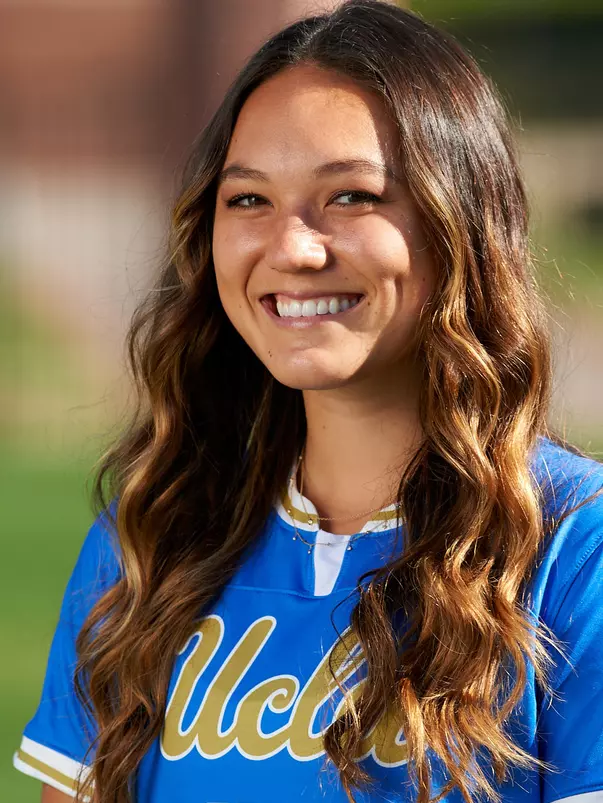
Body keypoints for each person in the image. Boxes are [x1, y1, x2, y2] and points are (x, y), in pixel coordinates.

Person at [12, 2, 603, 802]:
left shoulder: (573, 550)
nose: (291, 246)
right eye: (248, 199)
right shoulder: (153, 533)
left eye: (351, 196)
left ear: (459, 222)